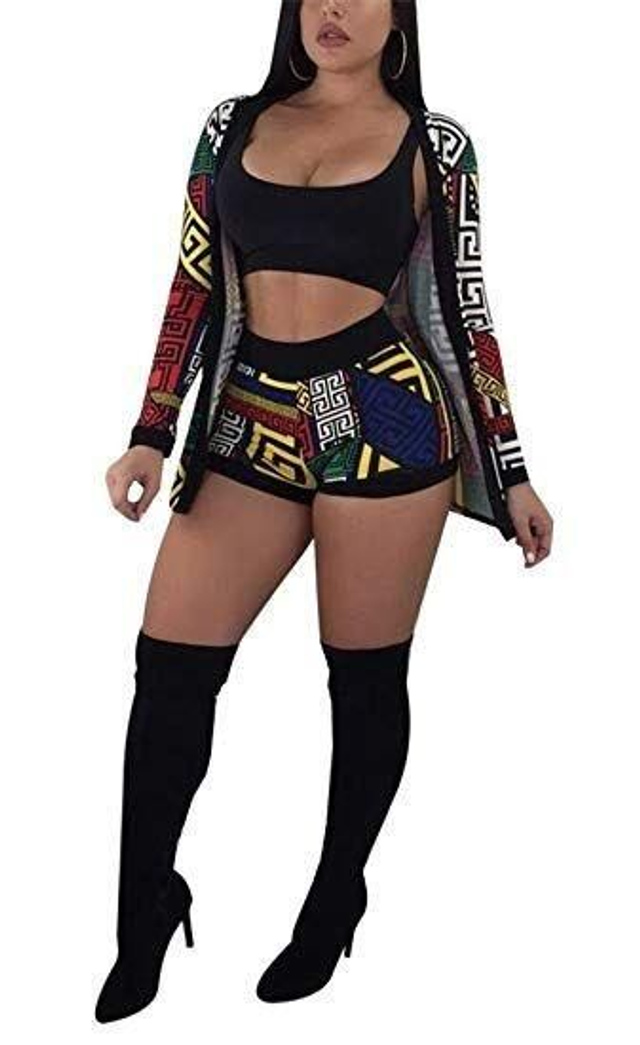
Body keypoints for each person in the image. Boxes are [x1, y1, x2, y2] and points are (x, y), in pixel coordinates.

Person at [96, 0, 553, 1022]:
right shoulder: (233, 125)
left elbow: (464, 306)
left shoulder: (434, 145)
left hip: (383, 413)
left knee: (362, 680)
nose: (332, 9)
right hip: (252, 411)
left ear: (400, 17)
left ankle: (334, 898)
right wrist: (151, 430)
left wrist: (512, 469)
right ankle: (141, 909)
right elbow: (192, 285)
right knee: (169, 670)